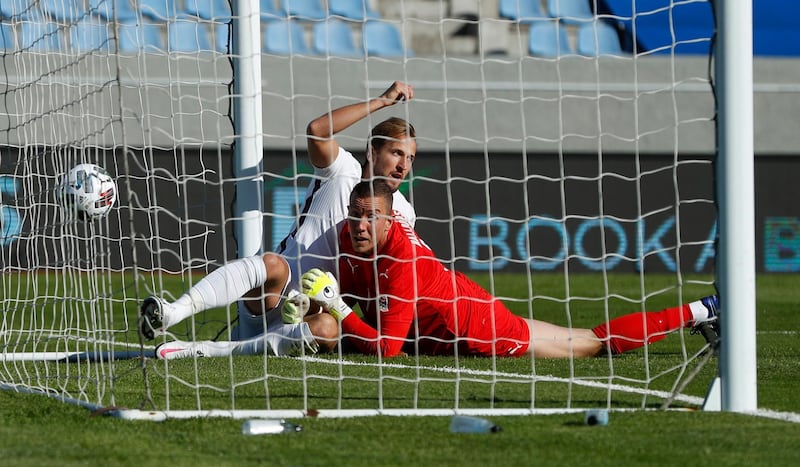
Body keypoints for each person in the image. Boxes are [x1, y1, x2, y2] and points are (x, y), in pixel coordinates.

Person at [141, 81, 418, 359]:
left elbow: (382, 282)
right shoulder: (343, 169)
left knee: (328, 328)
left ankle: (212, 350)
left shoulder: (404, 215)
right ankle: (173, 312)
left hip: (311, 314)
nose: (403, 165)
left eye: (410, 158)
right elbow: (317, 131)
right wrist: (382, 101)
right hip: (274, 293)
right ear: (372, 151)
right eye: (397, 153)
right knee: (272, 263)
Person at [297, 180, 720, 358]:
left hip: (476, 329)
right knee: (583, 338)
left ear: (391, 220)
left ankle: (698, 311)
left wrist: (337, 309)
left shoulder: (400, 258)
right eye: (354, 214)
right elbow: (352, 293)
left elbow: (387, 349)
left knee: (590, 346)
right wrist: (312, 303)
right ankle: (703, 309)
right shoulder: (345, 236)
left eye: (370, 216)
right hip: (461, 304)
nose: (359, 224)